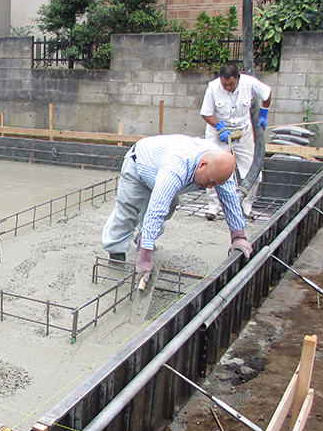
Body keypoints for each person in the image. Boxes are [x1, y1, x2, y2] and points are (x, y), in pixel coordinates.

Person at [101, 134, 253, 285]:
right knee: (128, 212)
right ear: (202, 164)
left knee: (168, 209)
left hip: (163, 172)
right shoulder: (176, 166)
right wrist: (145, 259)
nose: (210, 187)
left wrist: (238, 236)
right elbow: (156, 210)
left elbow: (230, 199)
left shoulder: (219, 166)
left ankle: (143, 239)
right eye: (209, 181)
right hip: (140, 165)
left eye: (215, 184)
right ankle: (116, 253)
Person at [200, 62, 271, 219]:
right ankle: (214, 207)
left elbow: (267, 93)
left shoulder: (249, 83)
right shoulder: (213, 88)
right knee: (212, 168)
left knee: (253, 169)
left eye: (231, 84)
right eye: (224, 84)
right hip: (219, 132)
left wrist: (264, 114)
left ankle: (245, 206)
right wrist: (219, 126)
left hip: (242, 131)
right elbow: (206, 113)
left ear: (238, 78)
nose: (227, 87)